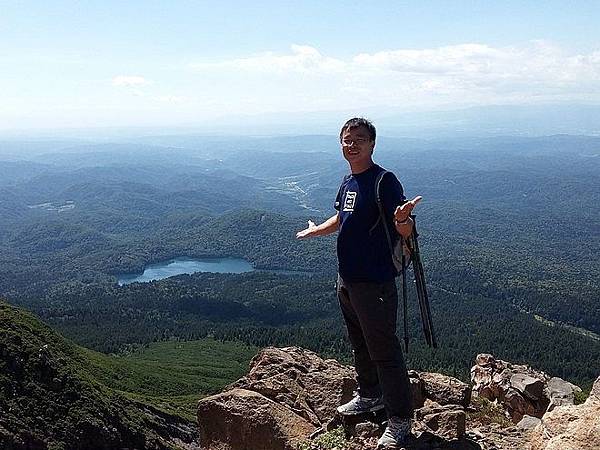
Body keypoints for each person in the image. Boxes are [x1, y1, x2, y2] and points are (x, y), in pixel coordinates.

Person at [296, 118, 421, 448]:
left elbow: (404, 226)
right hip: (347, 280)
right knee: (361, 344)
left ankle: (399, 419)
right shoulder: (348, 182)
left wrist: (403, 219)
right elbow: (342, 218)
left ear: (372, 144)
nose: (352, 145)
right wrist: (317, 230)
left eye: (360, 140)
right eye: (347, 140)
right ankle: (369, 395)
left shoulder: (384, 181)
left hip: (374, 283)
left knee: (385, 350)